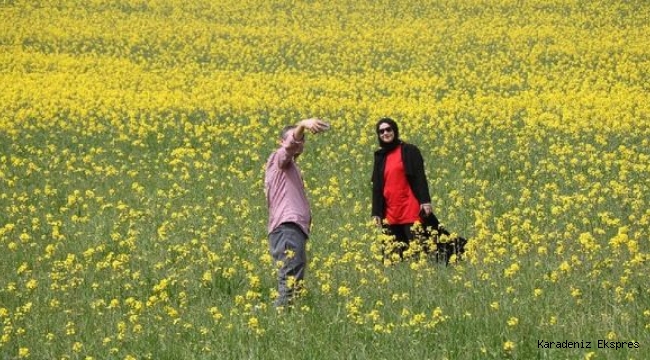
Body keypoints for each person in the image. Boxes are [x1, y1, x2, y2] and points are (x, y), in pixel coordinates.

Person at [371, 117, 467, 263]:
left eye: (388, 129)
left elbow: (419, 177)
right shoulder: (380, 156)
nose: (385, 133)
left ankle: (457, 254)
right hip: (390, 210)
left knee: (419, 248)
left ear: (395, 131)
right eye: (381, 131)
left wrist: (425, 201)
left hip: (410, 207)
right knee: (392, 254)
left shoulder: (409, 150)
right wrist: (376, 212)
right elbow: (377, 187)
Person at [264, 118, 329, 307]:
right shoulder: (278, 158)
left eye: (303, 140)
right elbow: (289, 148)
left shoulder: (289, 167)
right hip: (287, 228)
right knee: (290, 280)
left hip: (291, 228)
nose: (301, 143)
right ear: (281, 142)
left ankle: (287, 316)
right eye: (297, 139)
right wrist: (302, 125)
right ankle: (280, 319)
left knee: (294, 280)